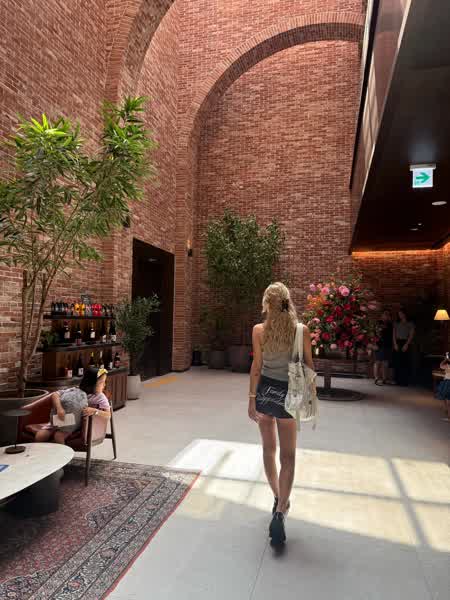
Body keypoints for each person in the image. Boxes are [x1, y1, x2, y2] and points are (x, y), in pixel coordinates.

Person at [248, 282, 313, 545]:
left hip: (265, 394)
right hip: (289, 397)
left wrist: (251, 400)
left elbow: (257, 366)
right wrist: (311, 397)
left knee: (268, 450)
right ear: (288, 301)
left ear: (267, 303)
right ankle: (281, 509)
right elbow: (309, 367)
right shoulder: (301, 331)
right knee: (288, 456)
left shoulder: (259, 330)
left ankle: (277, 496)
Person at [34, 367, 111, 444]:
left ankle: (62, 451)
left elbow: (108, 414)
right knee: (40, 436)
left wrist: (95, 411)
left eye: (104, 382)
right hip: (61, 418)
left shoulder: (100, 397)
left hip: (75, 423)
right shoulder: (76, 390)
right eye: (101, 382)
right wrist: (59, 408)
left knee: (58, 436)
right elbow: (55, 394)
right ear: (91, 383)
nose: (104, 385)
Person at [393, 309, 415, 386]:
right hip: (397, 342)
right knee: (397, 362)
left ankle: (404, 381)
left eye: (401, 314)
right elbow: (394, 334)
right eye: (399, 314)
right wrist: (395, 344)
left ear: (405, 314)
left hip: (405, 342)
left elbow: (411, 335)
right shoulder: (396, 323)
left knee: (405, 362)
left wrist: (406, 344)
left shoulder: (410, 323)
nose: (400, 315)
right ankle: (397, 380)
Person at [374, 310, 393, 385]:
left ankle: (384, 379)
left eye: (387, 315)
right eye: (385, 314)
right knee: (378, 362)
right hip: (379, 345)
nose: (386, 316)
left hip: (388, 345)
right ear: (382, 315)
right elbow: (376, 334)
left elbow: (391, 335)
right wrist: (374, 343)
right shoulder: (378, 323)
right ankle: (376, 378)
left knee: (385, 362)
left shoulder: (390, 324)